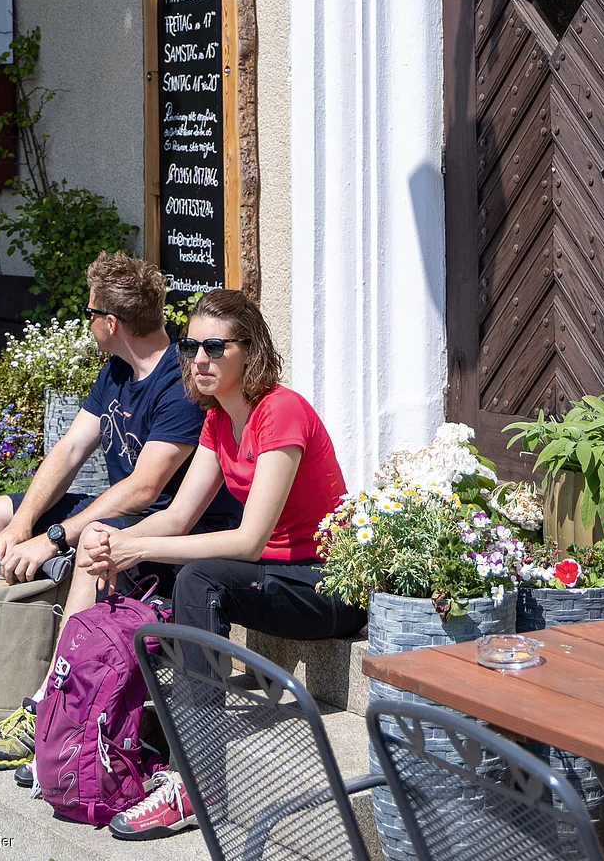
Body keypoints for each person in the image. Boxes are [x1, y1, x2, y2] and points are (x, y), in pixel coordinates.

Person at [0, 250, 237, 775]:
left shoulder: (180, 386)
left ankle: (46, 703)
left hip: (159, 527)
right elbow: (69, 451)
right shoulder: (115, 370)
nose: (86, 321)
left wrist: (52, 538)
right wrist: (22, 525)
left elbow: (143, 488)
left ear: (111, 323)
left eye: (90, 313)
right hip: (119, 510)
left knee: (91, 548)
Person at [79, 287, 364, 840]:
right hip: (277, 581)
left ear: (250, 351)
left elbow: (249, 542)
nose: (199, 359)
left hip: (327, 586)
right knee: (149, 565)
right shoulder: (216, 419)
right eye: (191, 345)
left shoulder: (280, 411)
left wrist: (139, 547)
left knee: (199, 576)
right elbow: (179, 517)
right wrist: (116, 540)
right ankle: (126, 735)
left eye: (216, 346)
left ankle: (199, 785)